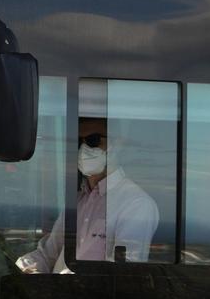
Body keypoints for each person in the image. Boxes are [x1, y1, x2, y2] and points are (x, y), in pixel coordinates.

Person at [18, 116, 160, 272]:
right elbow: (48, 254)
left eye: (93, 140)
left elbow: (120, 275)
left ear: (116, 144)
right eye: (79, 142)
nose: (83, 149)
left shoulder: (136, 204)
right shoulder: (78, 200)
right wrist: (23, 266)